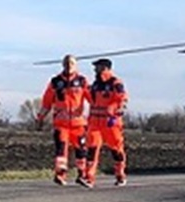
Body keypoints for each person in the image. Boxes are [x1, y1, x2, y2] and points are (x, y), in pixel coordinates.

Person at [36, 54, 90, 186]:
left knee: (81, 150)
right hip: (61, 123)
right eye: (66, 63)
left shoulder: (82, 81)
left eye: (71, 63)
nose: (69, 65)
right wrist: (40, 118)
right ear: (62, 64)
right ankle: (60, 175)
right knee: (61, 150)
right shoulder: (55, 82)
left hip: (78, 123)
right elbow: (46, 102)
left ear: (75, 65)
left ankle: (82, 174)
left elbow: (92, 99)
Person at [82, 58, 129, 187]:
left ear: (105, 68)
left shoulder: (115, 83)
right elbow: (90, 99)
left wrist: (113, 110)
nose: (94, 70)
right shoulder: (95, 85)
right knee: (91, 148)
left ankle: (120, 175)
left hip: (110, 122)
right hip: (95, 122)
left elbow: (122, 99)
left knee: (116, 148)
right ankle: (89, 177)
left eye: (97, 67)